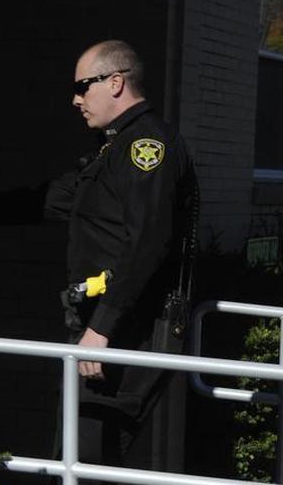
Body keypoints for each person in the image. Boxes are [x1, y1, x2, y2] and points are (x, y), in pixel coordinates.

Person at [44, 40, 197, 477]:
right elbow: (53, 200)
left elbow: (149, 242)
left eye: (82, 86)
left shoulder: (146, 146)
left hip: (128, 327)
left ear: (115, 82)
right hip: (105, 323)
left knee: (87, 460)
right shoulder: (114, 149)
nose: (76, 99)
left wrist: (101, 328)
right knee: (73, 455)